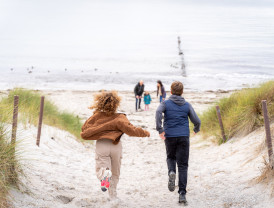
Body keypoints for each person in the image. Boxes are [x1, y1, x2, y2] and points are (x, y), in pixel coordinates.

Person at [81, 91, 150, 200]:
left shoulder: (96, 116)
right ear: (116, 104)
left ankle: (104, 175)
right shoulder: (120, 117)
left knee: (101, 168)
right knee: (116, 171)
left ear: (100, 102)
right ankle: (113, 196)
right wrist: (145, 133)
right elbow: (131, 130)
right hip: (116, 145)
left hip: (102, 144)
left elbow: (84, 130)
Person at [155, 81, 201, 204]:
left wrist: (160, 129)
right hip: (183, 137)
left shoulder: (165, 103)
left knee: (171, 157)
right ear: (182, 92)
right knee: (183, 165)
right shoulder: (186, 105)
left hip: (170, 136)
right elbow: (197, 120)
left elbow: (158, 112)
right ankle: (182, 194)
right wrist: (196, 129)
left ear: (171, 91)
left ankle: (171, 172)